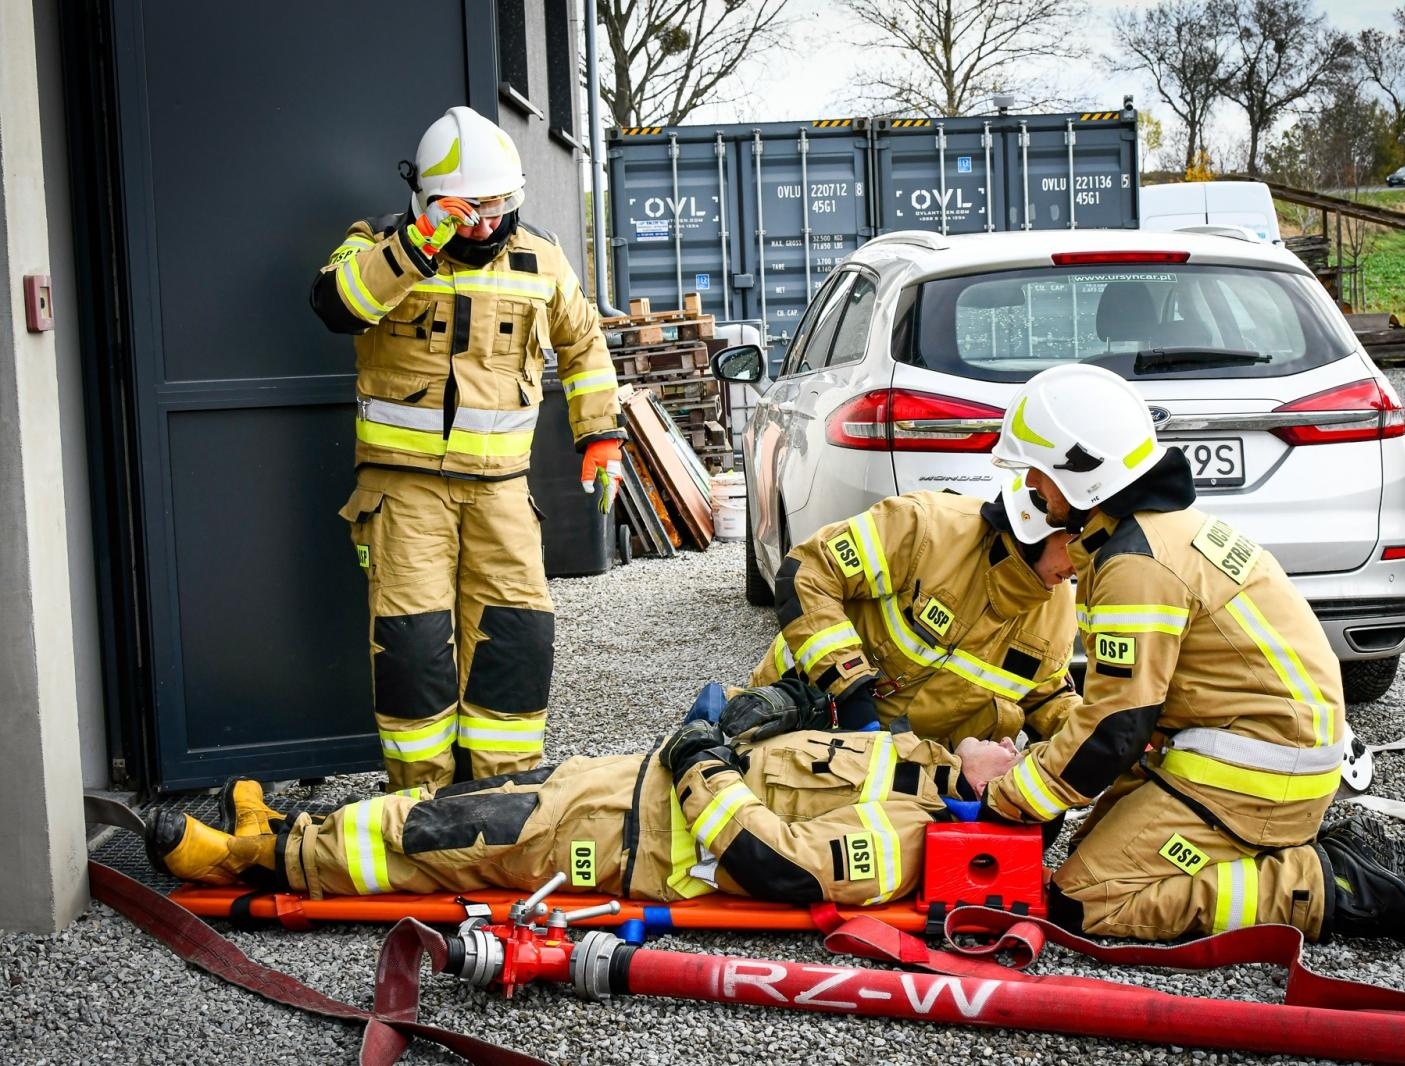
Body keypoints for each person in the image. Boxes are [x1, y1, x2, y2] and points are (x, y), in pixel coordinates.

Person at [976, 363, 1405, 954]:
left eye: (1038, 471)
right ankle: (1266, 850)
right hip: (1252, 750)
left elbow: (1115, 727)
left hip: (1254, 772)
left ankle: (1319, 886)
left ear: (1079, 473)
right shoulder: (1149, 534)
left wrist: (1013, 799)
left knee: (1087, 898)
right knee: (1087, 856)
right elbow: (1126, 712)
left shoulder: (1135, 564)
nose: (1032, 485)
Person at [311, 106, 624, 792]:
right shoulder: (378, 247)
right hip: (404, 491)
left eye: (496, 207)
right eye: (466, 210)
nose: (484, 225)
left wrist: (600, 434)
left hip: (503, 491)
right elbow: (337, 304)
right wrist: (421, 242)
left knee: (515, 639)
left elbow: (585, 347)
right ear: (424, 200)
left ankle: (504, 794)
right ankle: (420, 804)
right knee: (412, 646)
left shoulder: (541, 258)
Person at [146, 695, 1027, 908]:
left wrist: (703, 761)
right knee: (465, 802)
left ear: (1000, 797)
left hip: (626, 839)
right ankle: (285, 827)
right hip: (621, 783)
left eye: (1018, 754)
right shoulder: (916, 756)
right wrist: (767, 713)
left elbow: (772, 864)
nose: (1010, 739)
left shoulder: (908, 837)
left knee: (437, 837)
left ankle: (248, 858)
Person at [746, 489, 1080, 749]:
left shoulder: (1057, 614)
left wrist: (1096, 736)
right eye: (1075, 544)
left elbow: (1047, 697)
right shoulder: (926, 528)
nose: (1082, 563)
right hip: (799, 707)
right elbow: (809, 572)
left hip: (912, 762)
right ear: (1035, 524)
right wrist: (849, 692)